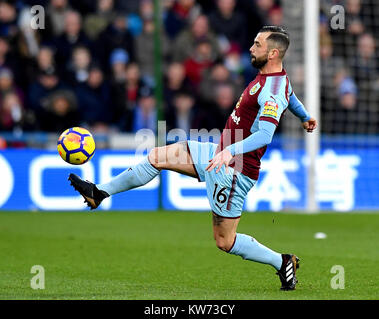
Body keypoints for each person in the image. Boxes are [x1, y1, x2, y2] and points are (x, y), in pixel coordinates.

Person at [68, 26, 317, 291]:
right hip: (218, 154)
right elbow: (290, 95)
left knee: (225, 241)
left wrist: (229, 151)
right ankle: (100, 192)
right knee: (156, 156)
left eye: (257, 45)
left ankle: (282, 262)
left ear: (273, 53)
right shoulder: (277, 79)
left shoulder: (271, 89)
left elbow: (265, 134)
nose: (251, 48)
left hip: (235, 169)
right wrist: (304, 116)